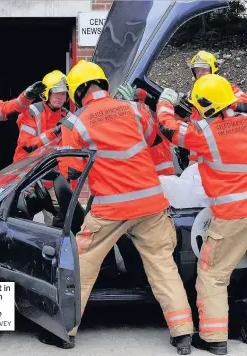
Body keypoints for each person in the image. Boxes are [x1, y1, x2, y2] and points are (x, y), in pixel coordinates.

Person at [40, 60, 194, 355]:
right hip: (150, 204)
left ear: (76, 91)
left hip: (110, 209)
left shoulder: (75, 122)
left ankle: (65, 331)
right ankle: (183, 333)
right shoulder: (135, 109)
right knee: (163, 267)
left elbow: (70, 170)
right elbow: (151, 140)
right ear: (104, 85)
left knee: (82, 266)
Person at [157, 74, 247, 355]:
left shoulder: (205, 135)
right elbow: (228, 116)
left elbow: (169, 129)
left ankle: (214, 339)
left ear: (207, 107)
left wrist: (165, 103)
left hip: (231, 217)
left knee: (212, 276)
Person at [116, 84, 176, 175]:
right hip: (159, 168)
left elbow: (154, 136)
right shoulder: (138, 108)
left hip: (159, 171)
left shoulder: (138, 109)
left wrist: (134, 104)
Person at [13, 70, 68, 162]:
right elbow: (27, 146)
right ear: (46, 93)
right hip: (26, 167)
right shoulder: (31, 112)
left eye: (63, 93)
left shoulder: (68, 117)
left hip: (52, 167)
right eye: (56, 92)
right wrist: (53, 132)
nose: (60, 97)